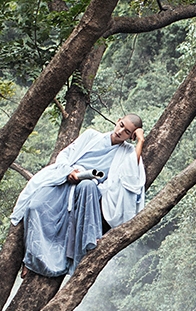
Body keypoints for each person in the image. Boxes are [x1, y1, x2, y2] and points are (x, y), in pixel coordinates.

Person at [11, 114, 147, 278]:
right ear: (118, 120)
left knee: (87, 186)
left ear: (131, 136)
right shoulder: (92, 136)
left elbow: (130, 174)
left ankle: (70, 256)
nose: (120, 131)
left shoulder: (126, 153)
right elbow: (64, 154)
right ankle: (32, 259)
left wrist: (141, 142)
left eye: (127, 132)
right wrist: (69, 171)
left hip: (87, 191)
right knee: (35, 206)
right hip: (64, 180)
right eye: (121, 125)